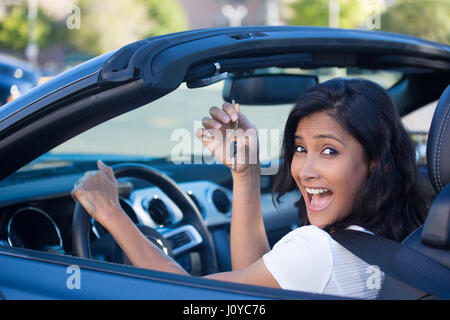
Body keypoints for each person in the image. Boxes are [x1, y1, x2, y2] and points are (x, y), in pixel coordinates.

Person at [71, 78, 431, 299]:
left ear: (376, 162)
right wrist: (246, 173)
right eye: (301, 148)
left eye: (329, 151)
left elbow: (185, 296)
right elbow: (254, 291)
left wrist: (111, 214)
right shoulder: (412, 234)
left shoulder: (317, 250)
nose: (305, 170)